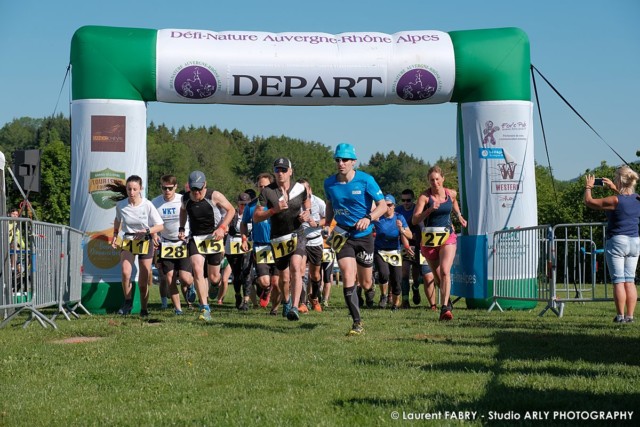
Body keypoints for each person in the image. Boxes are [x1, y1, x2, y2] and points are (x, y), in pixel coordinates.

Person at [324, 143, 387, 335]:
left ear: (353, 162)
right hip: (342, 234)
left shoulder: (366, 180)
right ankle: (357, 322)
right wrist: (327, 224)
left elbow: (382, 206)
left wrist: (368, 218)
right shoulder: (329, 183)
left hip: (364, 235)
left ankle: (370, 290)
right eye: (338, 160)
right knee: (347, 274)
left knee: (366, 281)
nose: (341, 163)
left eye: (344, 160)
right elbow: (329, 204)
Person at [254, 158, 310, 321]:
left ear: (291, 172)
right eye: (277, 170)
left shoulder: (300, 188)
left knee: (296, 267)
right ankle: (287, 302)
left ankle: (295, 307)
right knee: (283, 279)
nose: (281, 173)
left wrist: (306, 212)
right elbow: (256, 217)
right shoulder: (267, 192)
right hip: (278, 238)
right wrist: (274, 210)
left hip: (297, 234)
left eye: (284, 170)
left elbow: (307, 202)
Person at [178, 170, 235, 322]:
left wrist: (222, 227)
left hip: (214, 237)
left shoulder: (214, 196)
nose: (197, 192)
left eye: (199, 189)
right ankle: (205, 307)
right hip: (196, 238)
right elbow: (183, 211)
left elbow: (231, 210)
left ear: (205, 185)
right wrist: (182, 227)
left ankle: (215, 285)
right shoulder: (185, 198)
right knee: (197, 269)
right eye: (194, 189)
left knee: (214, 277)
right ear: (189, 187)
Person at [584, 167, 640, 323]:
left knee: (618, 280)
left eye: (616, 178)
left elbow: (589, 202)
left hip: (617, 241)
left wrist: (588, 186)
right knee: (630, 281)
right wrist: (615, 189)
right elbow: (626, 201)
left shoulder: (615, 200)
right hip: (635, 241)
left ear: (619, 180)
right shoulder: (637, 198)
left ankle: (620, 316)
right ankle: (630, 316)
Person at [412, 165, 467, 321]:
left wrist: (459, 215)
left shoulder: (451, 193)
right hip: (429, 240)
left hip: (447, 236)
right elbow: (415, 220)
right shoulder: (424, 197)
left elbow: (454, 202)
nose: (435, 182)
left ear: (443, 179)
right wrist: (429, 210)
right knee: (437, 278)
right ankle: (446, 298)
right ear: (428, 181)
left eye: (437, 179)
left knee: (444, 272)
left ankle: (444, 308)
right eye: (431, 180)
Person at [110, 175, 164, 317]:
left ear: (141, 189)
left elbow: (160, 226)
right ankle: (127, 302)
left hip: (145, 241)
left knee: (143, 280)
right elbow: (117, 220)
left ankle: (144, 309)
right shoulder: (121, 205)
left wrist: (147, 231)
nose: (132, 192)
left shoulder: (147, 205)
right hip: (128, 239)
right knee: (125, 271)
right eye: (129, 189)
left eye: (135, 189)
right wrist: (115, 235)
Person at [151, 174, 195, 315]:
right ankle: (178, 309)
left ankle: (191, 285)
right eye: (164, 188)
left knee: (184, 278)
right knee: (169, 277)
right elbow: (150, 223)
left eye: (170, 188)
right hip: (166, 244)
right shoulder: (155, 202)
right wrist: (154, 235)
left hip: (183, 242)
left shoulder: (182, 200)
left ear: (175, 187)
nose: (167, 191)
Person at [242, 176, 280, 313]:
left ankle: (275, 309)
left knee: (277, 282)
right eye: (260, 186)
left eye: (266, 186)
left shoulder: (279, 203)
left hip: (277, 244)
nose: (263, 189)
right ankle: (265, 289)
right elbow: (243, 223)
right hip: (260, 246)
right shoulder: (251, 206)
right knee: (265, 282)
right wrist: (244, 238)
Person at [396, 189, 437, 310]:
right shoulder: (399, 211)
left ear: (413, 200)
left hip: (422, 245)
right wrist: (407, 246)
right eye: (403, 200)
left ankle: (416, 288)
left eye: (408, 200)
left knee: (420, 275)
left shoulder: (419, 210)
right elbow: (402, 231)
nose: (406, 203)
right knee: (404, 272)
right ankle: (405, 301)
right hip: (406, 244)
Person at [373, 194, 412, 311]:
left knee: (397, 279)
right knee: (384, 273)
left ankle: (395, 305)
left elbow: (409, 235)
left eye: (389, 205)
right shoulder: (378, 217)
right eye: (385, 205)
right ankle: (384, 295)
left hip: (394, 251)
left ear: (394, 206)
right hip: (380, 250)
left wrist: (402, 229)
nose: (387, 207)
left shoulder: (399, 218)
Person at [298, 178, 327, 312]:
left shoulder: (319, 202)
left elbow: (329, 218)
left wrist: (317, 223)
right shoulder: (295, 202)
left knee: (315, 275)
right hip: (300, 240)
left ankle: (314, 298)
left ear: (310, 190)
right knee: (301, 271)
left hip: (315, 241)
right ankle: (302, 303)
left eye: (305, 189)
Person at [225, 192, 254, 311]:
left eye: (246, 204)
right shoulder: (232, 214)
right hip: (232, 243)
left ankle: (246, 300)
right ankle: (237, 294)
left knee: (247, 270)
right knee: (237, 274)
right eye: (242, 204)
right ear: (238, 203)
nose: (244, 207)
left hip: (248, 242)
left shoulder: (253, 214)